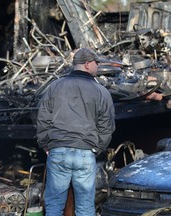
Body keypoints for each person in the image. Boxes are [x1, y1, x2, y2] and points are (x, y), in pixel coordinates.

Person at [36, 47, 116, 216]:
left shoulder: (54, 86)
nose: (98, 67)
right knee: (85, 208)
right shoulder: (101, 91)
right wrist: (97, 148)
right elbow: (107, 125)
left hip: (58, 151)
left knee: (54, 206)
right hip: (85, 153)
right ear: (87, 64)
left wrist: (46, 145)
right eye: (96, 63)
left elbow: (43, 118)